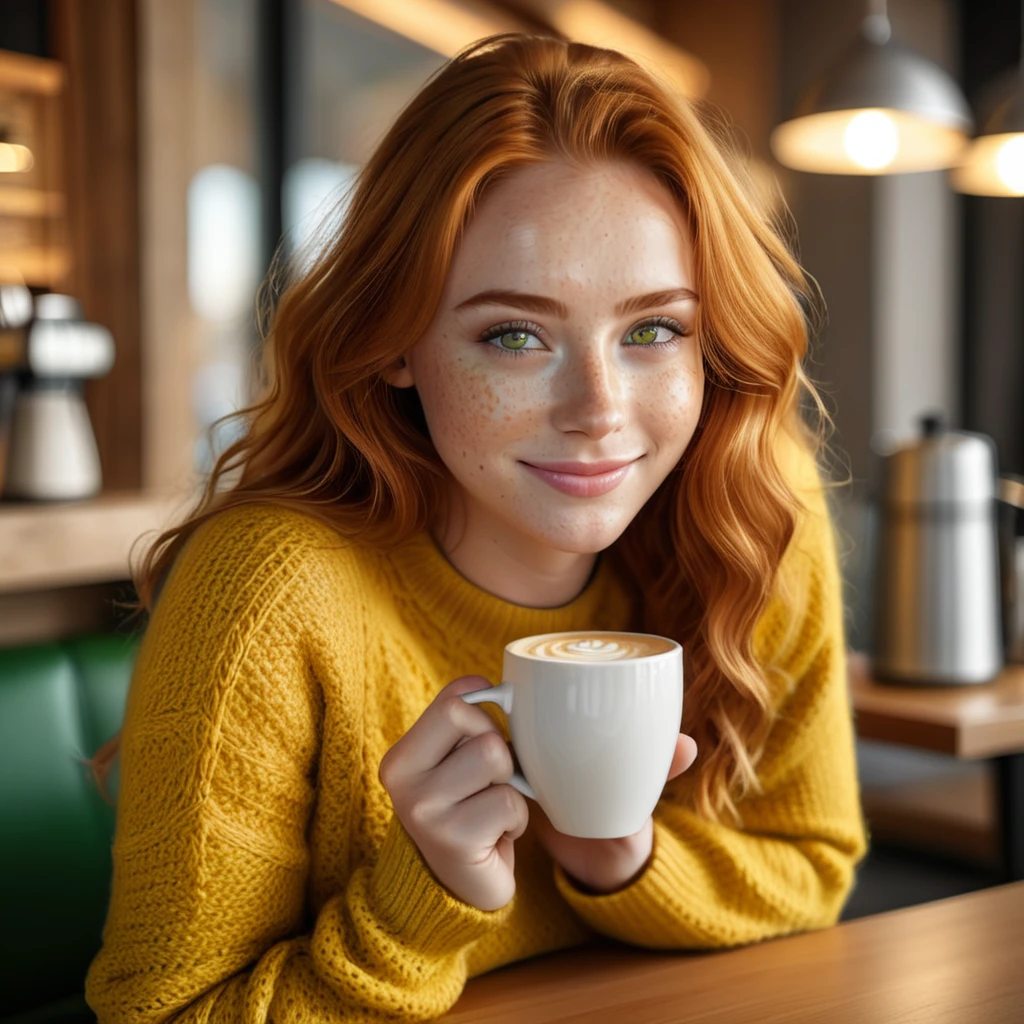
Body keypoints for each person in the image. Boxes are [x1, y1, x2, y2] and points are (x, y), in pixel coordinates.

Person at [84, 32, 867, 1023]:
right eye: (514, 334)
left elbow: (812, 864)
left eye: (653, 329)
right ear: (396, 341)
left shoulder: (753, 505)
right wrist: (419, 906)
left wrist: (624, 857)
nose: (598, 409)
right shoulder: (271, 588)